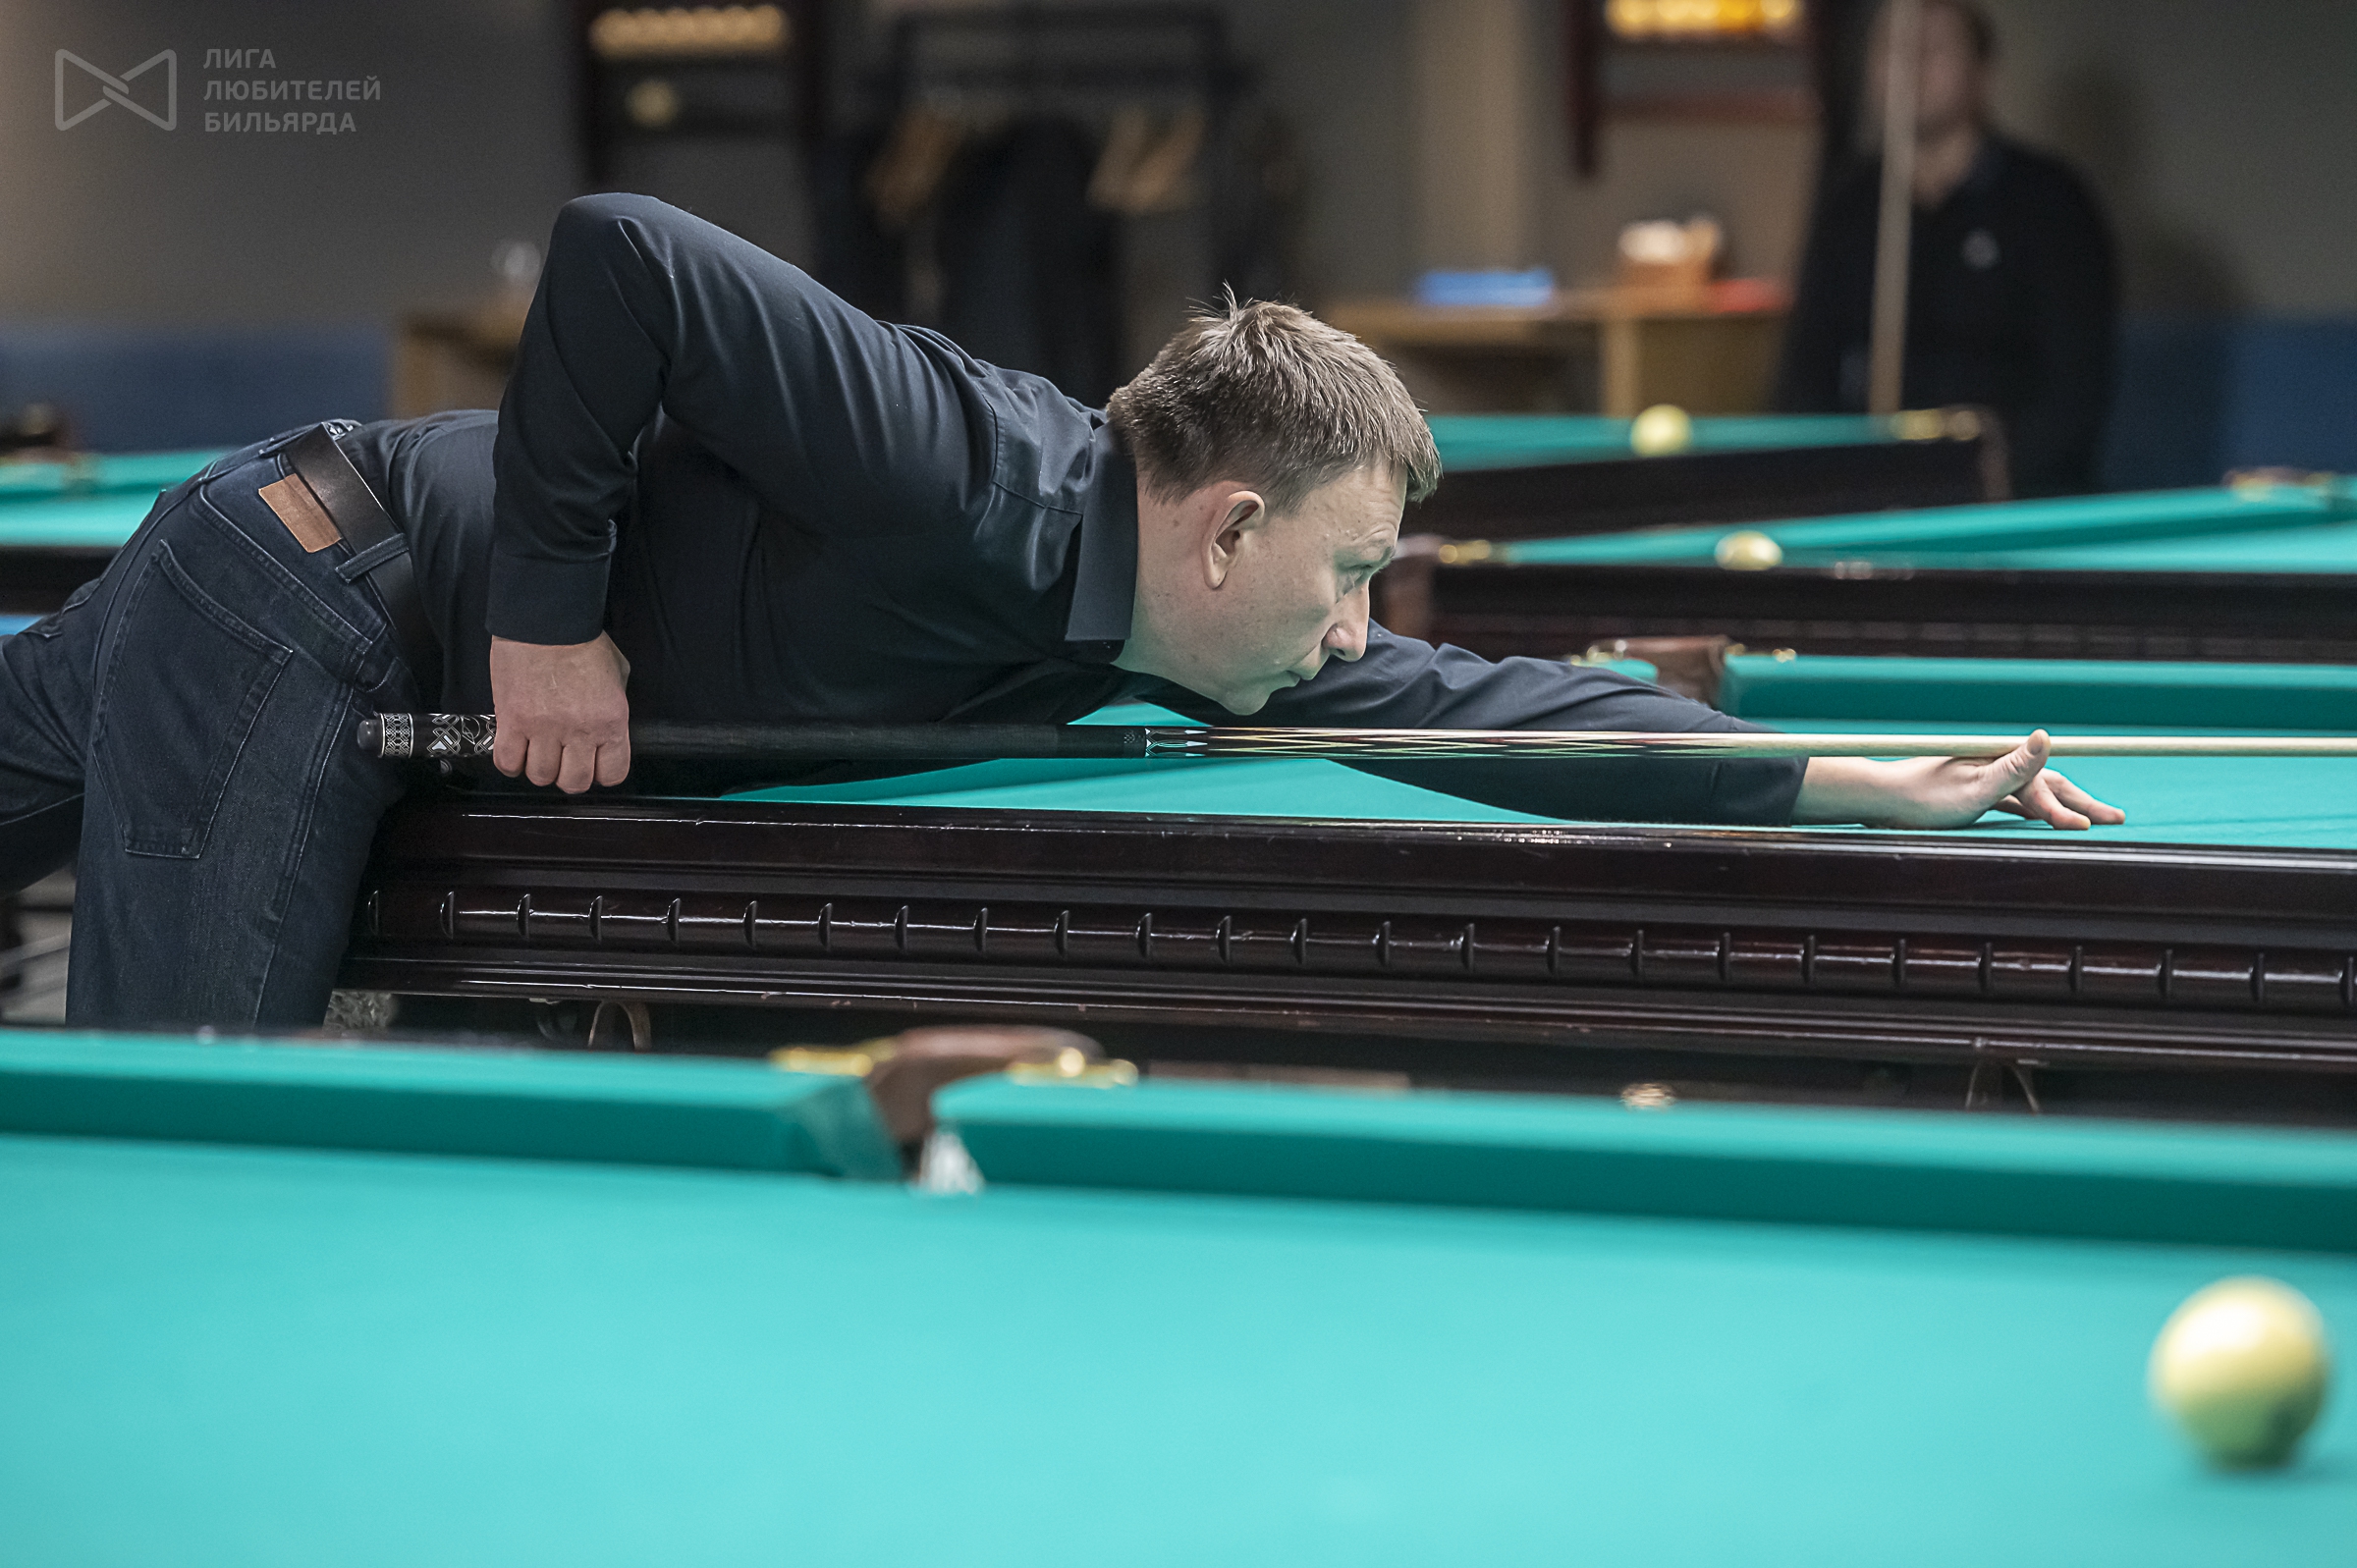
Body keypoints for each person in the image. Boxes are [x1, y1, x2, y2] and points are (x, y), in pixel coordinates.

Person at [0, 193, 2119, 1029]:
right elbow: (626, 255)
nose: (1359, 625)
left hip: (282, 569)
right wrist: (548, 624)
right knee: (186, 1126)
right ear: (1226, 525)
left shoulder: (1202, 626)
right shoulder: (963, 463)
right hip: (313, 594)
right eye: (1346, 569)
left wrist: (1839, 776)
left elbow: (1495, 707)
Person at [1774, 0, 2119, 496]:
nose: (1911, 64)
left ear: (1983, 73)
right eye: (1893, 48)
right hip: (1868, 495)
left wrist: (1988, 478)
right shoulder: (1849, 208)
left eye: (1934, 48)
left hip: (2009, 502)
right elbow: (1803, 374)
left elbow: (2074, 391)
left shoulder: (2049, 203)